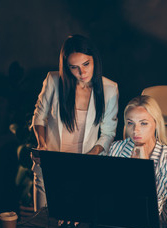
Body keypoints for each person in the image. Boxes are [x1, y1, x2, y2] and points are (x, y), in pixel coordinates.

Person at [31, 35, 119, 211]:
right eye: (74, 67)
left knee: (80, 225)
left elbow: (108, 133)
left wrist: (91, 156)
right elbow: (39, 115)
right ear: (66, 67)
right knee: (42, 225)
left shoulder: (110, 88)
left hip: (85, 169)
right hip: (51, 165)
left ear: (95, 60)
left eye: (86, 64)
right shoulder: (53, 80)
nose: (82, 72)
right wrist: (42, 145)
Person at [108, 95, 167, 222]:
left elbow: (152, 209)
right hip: (119, 218)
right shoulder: (116, 148)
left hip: (159, 225)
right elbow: (108, 193)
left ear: (156, 124)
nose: (135, 130)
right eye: (130, 123)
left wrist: (145, 165)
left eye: (143, 123)